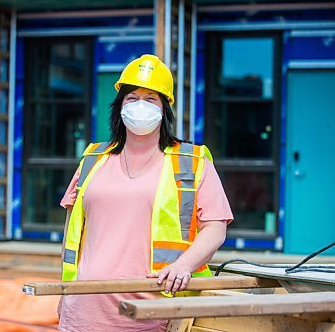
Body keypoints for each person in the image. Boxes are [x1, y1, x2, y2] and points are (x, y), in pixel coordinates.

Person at [58, 54, 233, 332]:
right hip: (83, 309)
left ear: (165, 109)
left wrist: (183, 265)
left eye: (151, 99)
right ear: (119, 107)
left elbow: (215, 227)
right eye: (132, 98)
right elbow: (72, 231)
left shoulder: (192, 161)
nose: (140, 105)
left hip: (153, 311)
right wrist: (65, 291)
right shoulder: (93, 158)